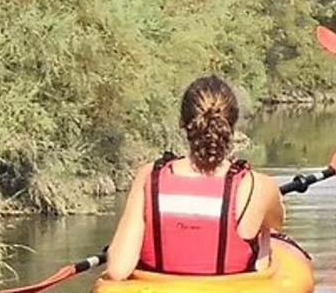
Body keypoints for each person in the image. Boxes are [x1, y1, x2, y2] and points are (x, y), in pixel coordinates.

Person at [105, 76, 285, 280]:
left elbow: (117, 270)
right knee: (265, 232)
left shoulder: (149, 176)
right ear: (232, 125)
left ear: (182, 122)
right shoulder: (256, 185)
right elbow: (277, 222)